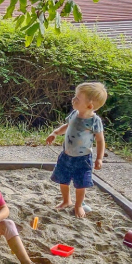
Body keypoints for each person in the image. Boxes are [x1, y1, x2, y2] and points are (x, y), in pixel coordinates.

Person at [46, 82, 108, 217]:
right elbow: (67, 126)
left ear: (90, 106)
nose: (73, 100)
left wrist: (99, 158)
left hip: (83, 158)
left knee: (80, 184)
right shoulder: (74, 113)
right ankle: (66, 201)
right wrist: (55, 133)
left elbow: (100, 140)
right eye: (75, 97)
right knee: (63, 179)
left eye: (77, 99)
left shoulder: (94, 121)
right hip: (66, 155)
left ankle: (78, 205)